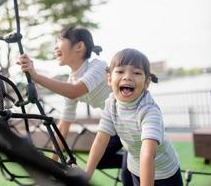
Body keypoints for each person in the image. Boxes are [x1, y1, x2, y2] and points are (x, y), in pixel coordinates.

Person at [17, 26, 132, 185]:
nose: (55, 46)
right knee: (100, 160)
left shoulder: (98, 66)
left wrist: (35, 76)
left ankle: (134, 160)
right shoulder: (71, 81)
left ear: (79, 46)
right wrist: (52, 163)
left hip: (132, 121)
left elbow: (74, 91)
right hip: (115, 126)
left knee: (129, 177)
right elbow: (63, 127)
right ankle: (131, 159)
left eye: (60, 41)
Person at [85, 48, 183, 186]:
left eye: (136, 73)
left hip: (165, 173)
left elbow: (148, 154)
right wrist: (85, 176)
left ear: (147, 83)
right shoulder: (111, 103)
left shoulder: (149, 111)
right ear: (109, 79)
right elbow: (101, 139)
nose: (127, 77)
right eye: (120, 71)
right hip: (135, 167)